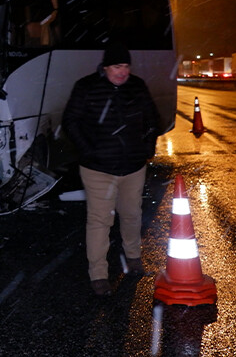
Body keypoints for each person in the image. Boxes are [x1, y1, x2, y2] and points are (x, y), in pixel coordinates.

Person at [62, 40, 160, 297]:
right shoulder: (86, 87)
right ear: (105, 67)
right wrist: (89, 150)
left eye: (126, 66)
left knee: (131, 214)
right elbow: (71, 121)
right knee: (99, 220)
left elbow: (152, 119)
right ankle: (99, 274)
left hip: (133, 167)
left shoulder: (137, 86)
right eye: (117, 66)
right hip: (98, 169)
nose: (123, 72)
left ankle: (134, 257)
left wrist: (146, 147)